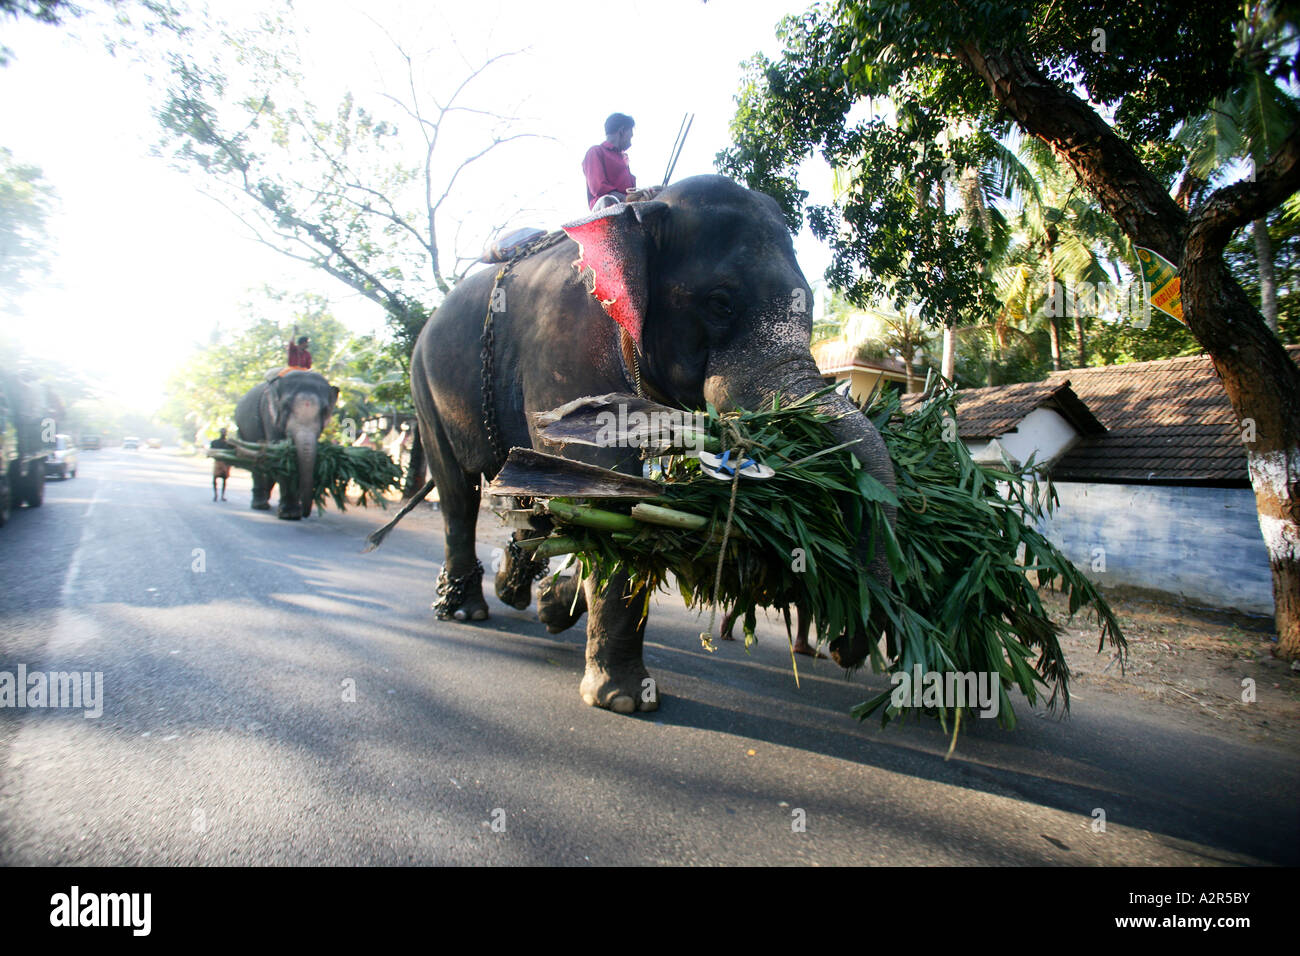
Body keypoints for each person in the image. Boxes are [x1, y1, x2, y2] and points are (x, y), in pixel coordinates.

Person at [582, 113, 660, 209]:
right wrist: (632, 200)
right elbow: (600, 189)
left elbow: (631, 193)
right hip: (606, 209)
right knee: (607, 199)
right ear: (622, 131)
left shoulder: (623, 159)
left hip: (627, 207)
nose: (630, 143)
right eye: (630, 136)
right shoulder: (595, 152)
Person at [210, 428, 233, 501]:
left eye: (224, 432)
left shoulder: (229, 443)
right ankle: (216, 495)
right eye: (223, 432)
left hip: (225, 463)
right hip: (218, 462)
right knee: (215, 479)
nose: (223, 433)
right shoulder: (215, 442)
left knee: (224, 480)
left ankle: (221, 496)